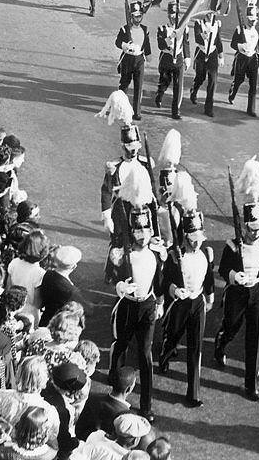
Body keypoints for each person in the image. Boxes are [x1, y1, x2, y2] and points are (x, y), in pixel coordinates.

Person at [106, 164, 165, 422]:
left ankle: (146, 404)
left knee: (145, 354)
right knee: (120, 346)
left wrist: (160, 300)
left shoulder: (156, 252)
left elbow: (161, 281)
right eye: (137, 230)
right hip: (128, 305)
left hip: (148, 306)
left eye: (146, 230)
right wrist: (121, 288)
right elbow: (115, 278)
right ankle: (114, 388)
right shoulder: (122, 254)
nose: (142, 235)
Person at [214, 157, 259, 402]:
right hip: (237, 294)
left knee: (256, 338)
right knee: (232, 327)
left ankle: (252, 384)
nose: (255, 233)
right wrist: (233, 276)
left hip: (257, 294)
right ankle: (222, 342)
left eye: (258, 229)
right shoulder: (232, 246)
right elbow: (222, 271)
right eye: (251, 229)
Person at [156, 175, 214, 407]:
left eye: (199, 239)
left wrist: (209, 295)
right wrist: (172, 289)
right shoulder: (173, 257)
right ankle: (166, 352)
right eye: (192, 239)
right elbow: (163, 282)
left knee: (196, 347)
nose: (196, 243)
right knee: (173, 336)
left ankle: (194, 392)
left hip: (197, 301)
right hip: (179, 303)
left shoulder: (205, 254)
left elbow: (208, 277)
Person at [228, 3, 259, 117]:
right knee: (239, 80)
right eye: (250, 19)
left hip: (253, 59)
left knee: (253, 85)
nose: (252, 22)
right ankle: (232, 93)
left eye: (254, 20)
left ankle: (251, 109)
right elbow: (232, 44)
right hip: (242, 58)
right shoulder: (240, 29)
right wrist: (240, 46)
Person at [153, 3, 190, 120]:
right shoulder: (162, 29)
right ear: (168, 15)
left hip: (178, 59)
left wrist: (187, 58)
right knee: (164, 82)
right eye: (172, 14)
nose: (174, 17)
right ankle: (159, 95)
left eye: (176, 14)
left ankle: (175, 111)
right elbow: (161, 45)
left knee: (178, 86)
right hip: (166, 59)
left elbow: (185, 43)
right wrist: (171, 37)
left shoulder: (184, 28)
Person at [115, 5, 151, 121]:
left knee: (138, 86)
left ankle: (137, 111)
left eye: (139, 16)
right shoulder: (125, 29)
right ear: (131, 17)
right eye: (135, 17)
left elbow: (146, 44)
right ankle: (121, 109)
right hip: (128, 59)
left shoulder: (145, 29)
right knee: (124, 85)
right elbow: (117, 42)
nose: (137, 19)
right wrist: (125, 45)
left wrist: (149, 55)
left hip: (139, 58)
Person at [189, 11, 224, 118]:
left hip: (212, 53)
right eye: (208, 13)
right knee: (200, 77)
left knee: (213, 81)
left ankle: (209, 108)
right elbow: (197, 38)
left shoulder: (217, 24)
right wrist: (206, 34)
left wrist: (221, 56)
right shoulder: (199, 23)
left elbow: (218, 40)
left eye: (213, 14)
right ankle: (194, 90)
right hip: (201, 52)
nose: (210, 16)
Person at [38, 246, 84, 327]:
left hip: (44, 319)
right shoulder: (70, 290)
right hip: (59, 325)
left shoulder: (48, 274)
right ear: (74, 266)